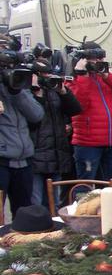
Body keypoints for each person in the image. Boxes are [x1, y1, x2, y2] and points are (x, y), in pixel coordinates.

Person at [68, 41, 112, 184]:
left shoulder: (103, 77)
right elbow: (78, 105)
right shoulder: (74, 79)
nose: (99, 62)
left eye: (101, 58)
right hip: (88, 144)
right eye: (95, 58)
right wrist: (82, 76)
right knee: (86, 185)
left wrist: (107, 76)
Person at [29, 58, 81, 207]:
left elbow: (76, 109)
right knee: (36, 202)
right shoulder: (26, 92)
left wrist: (63, 91)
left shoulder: (54, 90)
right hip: (37, 154)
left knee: (55, 202)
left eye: (48, 74)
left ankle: (54, 229)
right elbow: (33, 119)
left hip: (57, 153)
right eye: (42, 75)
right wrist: (36, 93)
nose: (46, 78)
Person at [0, 59, 45, 218]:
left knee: (24, 214)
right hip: (2, 161)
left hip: (24, 161)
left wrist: (16, 92)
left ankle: (19, 242)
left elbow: (37, 115)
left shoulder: (17, 87)